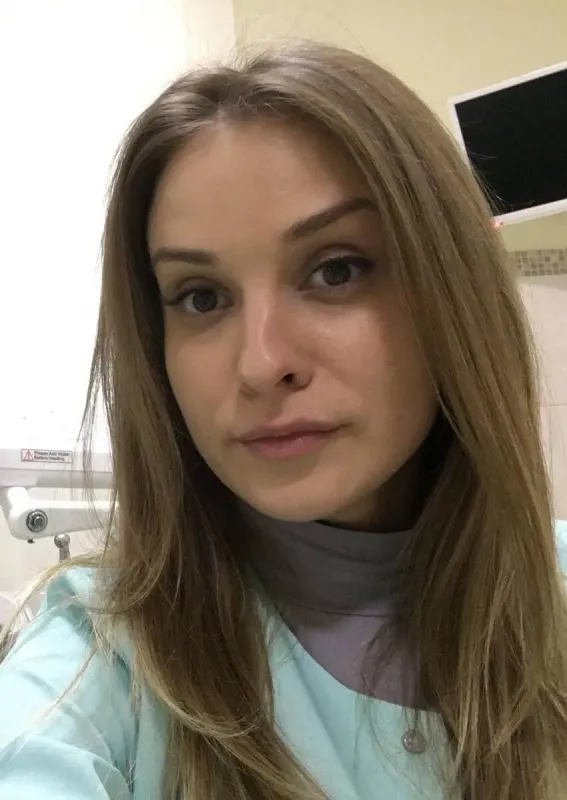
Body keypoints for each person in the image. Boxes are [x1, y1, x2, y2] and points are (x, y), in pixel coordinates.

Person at [0, 39, 566, 800]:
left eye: (336, 269)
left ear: (452, 292)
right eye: (201, 297)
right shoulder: (95, 660)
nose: (262, 363)